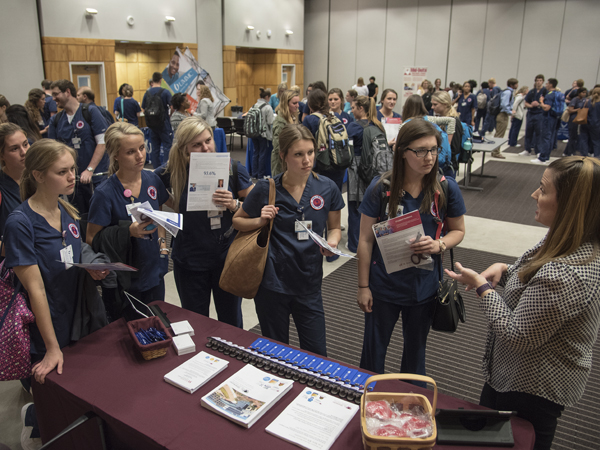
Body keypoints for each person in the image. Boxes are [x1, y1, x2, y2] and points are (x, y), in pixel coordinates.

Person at [444, 156, 600, 450]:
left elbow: (518, 336)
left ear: (568, 203)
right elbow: (534, 278)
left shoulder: (565, 273)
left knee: (517, 441)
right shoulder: (569, 240)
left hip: (532, 386)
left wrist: (482, 288)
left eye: (543, 189)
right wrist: (505, 270)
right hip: (518, 377)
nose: (534, 195)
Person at [4, 139, 107, 449]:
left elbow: (76, 250)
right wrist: (51, 347)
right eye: (62, 172)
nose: (72, 176)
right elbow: (35, 289)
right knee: (59, 395)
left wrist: (93, 265)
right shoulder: (20, 224)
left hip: (80, 311)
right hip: (49, 320)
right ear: (37, 175)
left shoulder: (64, 207)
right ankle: (36, 422)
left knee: (86, 387)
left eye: (73, 169)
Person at [357, 118, 465, 382]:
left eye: (433, 149)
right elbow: (365, 240)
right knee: (373, 355)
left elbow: (458, 231)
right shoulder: (381, 188)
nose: (429, 157)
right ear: (402, 152)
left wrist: (439, 244)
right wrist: (363, 287)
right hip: (384, 286)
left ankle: (413, 409)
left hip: (424, 287)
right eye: (420, 151)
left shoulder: (445, 187)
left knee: (415, 356)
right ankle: (366, 403)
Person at [233, 124, 344, 356]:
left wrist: (332, 242)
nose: (307, 160)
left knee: (316, 355)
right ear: (283, 156)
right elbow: (238, 221)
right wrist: (260, 221)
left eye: (311, 152)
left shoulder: (327, 188)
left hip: (309, 283)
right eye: (298, 154)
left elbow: (334, 228)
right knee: (276, 354)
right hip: (273, 285)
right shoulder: (267, 188)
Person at [155, 117, 253, 327]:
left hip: (226, 257)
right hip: (190, 259)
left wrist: (234, 204)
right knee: (195, 322)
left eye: (208, 140)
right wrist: (174, 204)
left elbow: (255, 204)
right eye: (197, 144)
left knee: (231, 321)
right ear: (185, 149)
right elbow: (148, 186)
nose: (206, 148)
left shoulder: (232, 168)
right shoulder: (174, 169)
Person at [86, 123, 170, 304]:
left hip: (154, 269)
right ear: (115, 155)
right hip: (125, 280)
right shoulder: (104, 193)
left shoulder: (151, 179)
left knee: (157, 323)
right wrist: (127, 231)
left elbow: (160, 211)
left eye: (141, 148)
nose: (140, 156)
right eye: (131, 152)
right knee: (129, 329)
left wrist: (162, 245)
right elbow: (91, 238)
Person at [48, 79, 109, 215]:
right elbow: (52, 150)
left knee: (99, 214)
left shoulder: (90, 111)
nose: (53, 98)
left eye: (56, 94)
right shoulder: (56, 120)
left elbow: (102, 142)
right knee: (79, 215)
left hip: (95, 178)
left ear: (68, 92)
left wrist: (90, 169)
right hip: (73, 180)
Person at [346, 95, 387, 253]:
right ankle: (372, 241)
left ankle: (355, 244)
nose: (352, 110)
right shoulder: (378, 125)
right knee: (373, 205)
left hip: (356, 170)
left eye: (354, 108)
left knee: (355, 206)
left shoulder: (353, 127)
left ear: (360, 109)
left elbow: (347, 152)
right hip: (375, 170)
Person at [401, 95, 456, 177]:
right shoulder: (430, 119)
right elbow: (452, 120)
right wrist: (448, 142)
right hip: (440, 162)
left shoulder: (405, 125)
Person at [302, 89, 346, 190]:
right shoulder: (336, 117)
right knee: (335, 196)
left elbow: (304, 143)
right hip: (338, 162)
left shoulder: (309, 119)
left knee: (319, 197)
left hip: (322, 164)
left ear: (310, 104)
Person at [0, 123, 28, 240]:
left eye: (26, 144)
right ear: (1, 155)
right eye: (14, 149)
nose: (24, 152)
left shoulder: (39, 178)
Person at [141, 72, 173, 169]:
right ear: (160, 80)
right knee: (167, 146)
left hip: (152, 125)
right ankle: (166, 168)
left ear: (152, 81)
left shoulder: (147, 93)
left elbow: (143, 109)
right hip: (164, 124)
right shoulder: (166, 92)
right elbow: (172, 107)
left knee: (155, 148)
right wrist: (169, 115)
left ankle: (156, 169)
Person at [272, 89, 300, 176]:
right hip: (282, 163)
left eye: (297, 102)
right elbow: (278, 147)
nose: (297, 105)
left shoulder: (293, 116)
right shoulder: (280, 121)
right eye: (294, 103)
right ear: (286, 104)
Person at [532, 78, 560, 164]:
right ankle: (547, 157)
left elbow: (547, 107)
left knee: (545, 138)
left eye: (547, 83)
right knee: (550, 138)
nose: (546, 85)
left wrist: (541, 102)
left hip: (547, 118)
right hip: (554, 118)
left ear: (551, 85)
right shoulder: (557, 93)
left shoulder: (549, 95)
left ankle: (542, 158)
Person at [250, 87, 274, 179]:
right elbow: (270, 122)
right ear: (267, 97)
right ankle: (261, 175)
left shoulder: (253, 106)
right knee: (262, 153)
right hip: (263, 133)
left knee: (255, 153)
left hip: (253, 132)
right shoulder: (268, 107)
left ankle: (254, 174)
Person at [522, 74, 548, 157]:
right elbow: (526, 102)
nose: (538, 82)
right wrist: (531, 105)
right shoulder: (532, 91)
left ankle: (538, 151)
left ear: (543, 82)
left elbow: (547, 104)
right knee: (528, 132)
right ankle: (527, 149)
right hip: (531, 113)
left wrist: (539, 104)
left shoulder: (545, 92)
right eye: (537, 81)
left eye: (540, 81)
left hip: (540, 114)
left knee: (538, 133)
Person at [493, 78, 519, 158]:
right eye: (516, 84)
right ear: (512, 85)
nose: (517, 85)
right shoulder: (508, 92)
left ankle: (495, 150)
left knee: (499, 133)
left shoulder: (508, 92)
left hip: (503, 115)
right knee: (499, 134)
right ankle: (496, 152)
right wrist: (510, 112)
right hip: (502, 115)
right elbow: (504, 104)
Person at [565, 87, 587, 156]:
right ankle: (570, 152)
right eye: (583, 92)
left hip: (580, 119)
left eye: (585, 93)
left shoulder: (584, 100)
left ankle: (567, 151)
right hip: (573, 119)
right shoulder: (575, 99)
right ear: (579, 93)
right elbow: (570, 110)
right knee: (572, 136)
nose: (584, 94)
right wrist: (579, 109)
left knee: (576, 136)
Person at [579, 87, 600, 158]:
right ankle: (597, 157)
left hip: (585, 123)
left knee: (584, 140)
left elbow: (581, 109)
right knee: (596, 142)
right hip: (596, 125)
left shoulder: (587, 101)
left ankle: (584, 156)